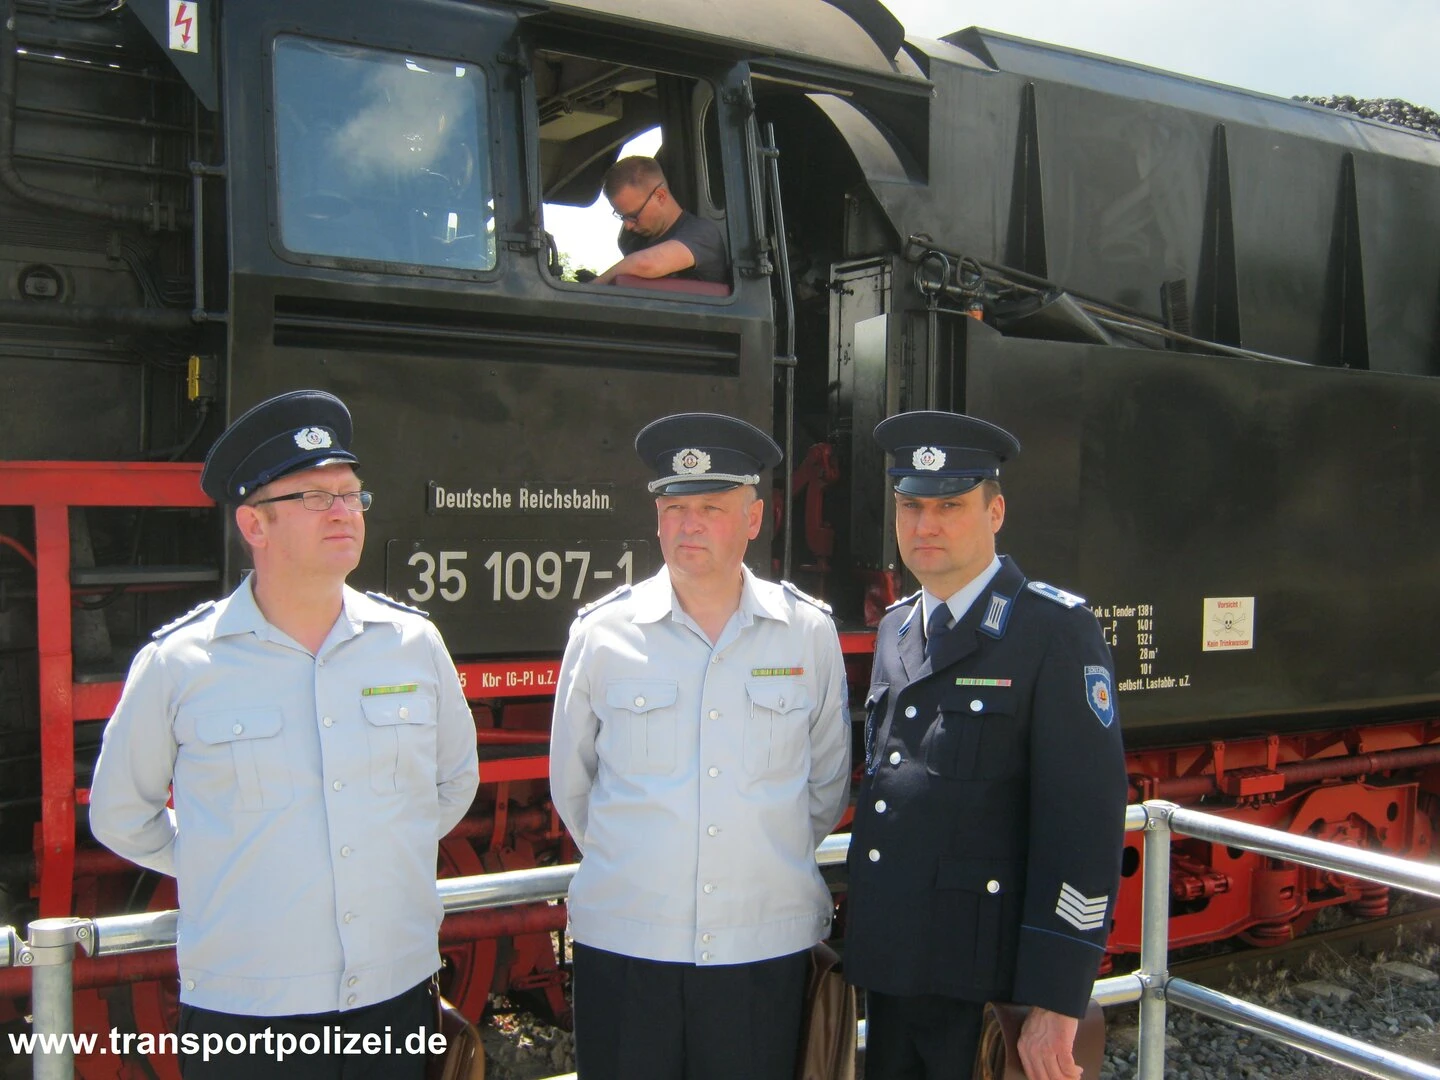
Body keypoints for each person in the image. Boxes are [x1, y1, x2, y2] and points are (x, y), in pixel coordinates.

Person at [89, 390, 480, 1079]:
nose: (343, 511)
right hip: (247, 1010)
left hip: (394, 998)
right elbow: (122, 814)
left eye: (351, 494)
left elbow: (452, 784)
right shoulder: (181, 664)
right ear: (254, 524)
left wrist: (365, 849)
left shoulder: (413, 645)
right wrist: (229, 862)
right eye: (314, 497)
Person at [549, 412, 850, 1080]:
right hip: (629, 946)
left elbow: (825, 788)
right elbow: (573, 786)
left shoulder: (807, 634)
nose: (689, 525)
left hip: (761, 948)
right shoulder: (601, 636)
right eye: (674, 508)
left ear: (754, 518)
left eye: (712, 508)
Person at [844, 410, 1128, 1080]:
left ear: (995, 512)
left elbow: (1085, 822)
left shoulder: (1052, 631)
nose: (926, 525)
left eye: (950, 506)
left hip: (987, 986)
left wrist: (1058, 996)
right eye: (911, 506)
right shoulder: (896, 631)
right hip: (892, 973)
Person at [592, 156, 728, 285]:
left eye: (633, 215)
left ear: (660, 196)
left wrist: (593, 288)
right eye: (622, 216)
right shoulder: (636, 244)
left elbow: (646, 264)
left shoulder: (702, 233)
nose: (628, 226)